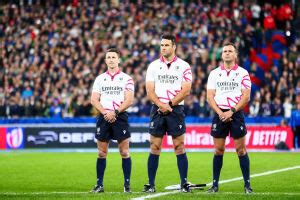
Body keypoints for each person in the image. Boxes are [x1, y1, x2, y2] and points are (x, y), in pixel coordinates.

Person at [143, 34, 193, 193]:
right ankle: (151, 184)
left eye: (166, 45)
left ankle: (184, 183)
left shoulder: (184, 66)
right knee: (155, 146)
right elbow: (149, 90)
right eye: (161, 45)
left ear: (174, 47)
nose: (163, 48)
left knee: (179, 146)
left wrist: (170, 104)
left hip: (175, 109)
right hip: (157, 109)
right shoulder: (153, 66)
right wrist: (161, 104)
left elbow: (186, 90)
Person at [206, 42, 253, 193]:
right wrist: (220, 112)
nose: (227, 53)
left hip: (236, 113)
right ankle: (215, 185)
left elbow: (246, 97)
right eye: (224, 51)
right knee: (218, 150)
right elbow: (210, 96)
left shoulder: (243, 73)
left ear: (235, 55)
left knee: (241, 150)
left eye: (230, 51)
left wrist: (231, 111)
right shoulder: (214, 73)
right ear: (222, 54)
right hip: (219, 113)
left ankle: (247, 185)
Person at [90, 48, 134, 193]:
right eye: (108, 57)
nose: (111, 59)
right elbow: (94, 99)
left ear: (119, 60)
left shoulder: (127, 78)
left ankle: (127, 185)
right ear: (105, 60)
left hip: (120, 116)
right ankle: (99, 184)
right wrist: (105, 112)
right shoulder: (100, 78)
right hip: (104, 117)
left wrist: (115, 112)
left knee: (124, 152)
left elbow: (129, 99)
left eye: (113, 57)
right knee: (102, 153)